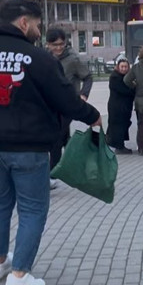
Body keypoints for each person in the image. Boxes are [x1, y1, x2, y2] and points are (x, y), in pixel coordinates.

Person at [0, 0, 101, 285]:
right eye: (38, 25)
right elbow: (65, 98)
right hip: (29, 146)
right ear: (24, 23)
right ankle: (19, 275)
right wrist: (93, 117)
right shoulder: (38, 58)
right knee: (32, 208)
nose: (39, 32)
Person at [46, 28, 93, 187]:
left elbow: (88, 77)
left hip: (68, 104)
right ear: (48, 44)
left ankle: (52, 175)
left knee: (56, 138)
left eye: (61, 44)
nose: (59, 48)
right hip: (50, 104)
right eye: (55, 45)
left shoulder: (73, 59)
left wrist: (83, 95)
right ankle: (83, 165)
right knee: (65, 138)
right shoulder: (43, 57)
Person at [106, 57, 135, 154]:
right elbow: (124, 91)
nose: (124, 69)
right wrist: (134, 89)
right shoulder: (115, 77)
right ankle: (119, 146)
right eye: (122, 67)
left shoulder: (127, 77)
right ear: (118, 67)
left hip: (124, 106)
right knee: (118, 126)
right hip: (117, 106)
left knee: (123, 125)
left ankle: (118, 144)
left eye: (126, 67)